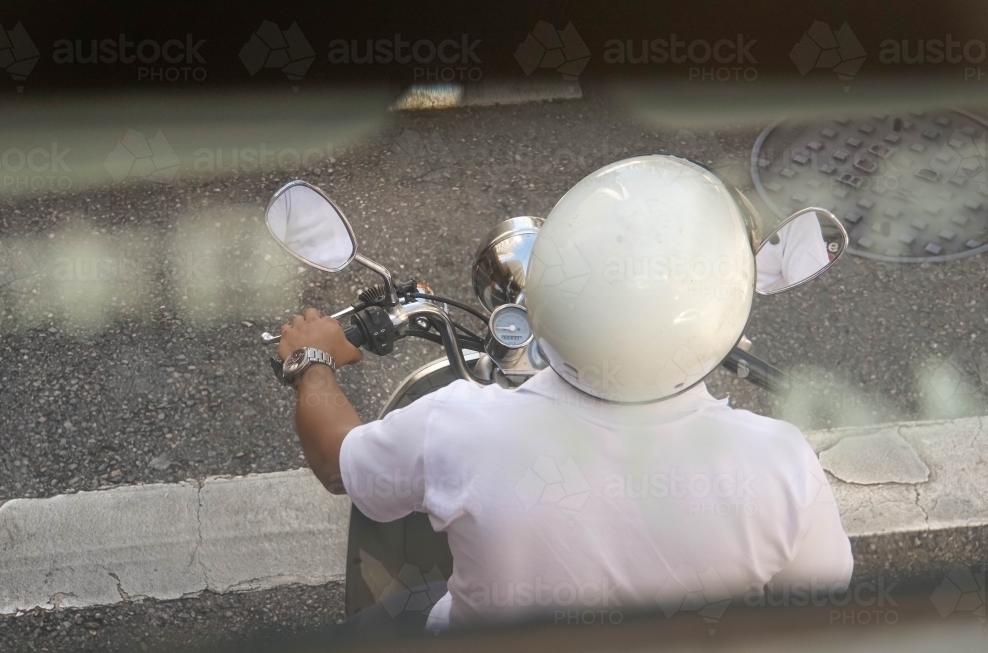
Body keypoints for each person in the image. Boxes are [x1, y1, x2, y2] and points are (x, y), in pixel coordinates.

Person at [277, 156, 853, 631]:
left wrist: (312, 360)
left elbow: (337, 462)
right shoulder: (783, 469)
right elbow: (816, 611)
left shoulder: (461, 429)